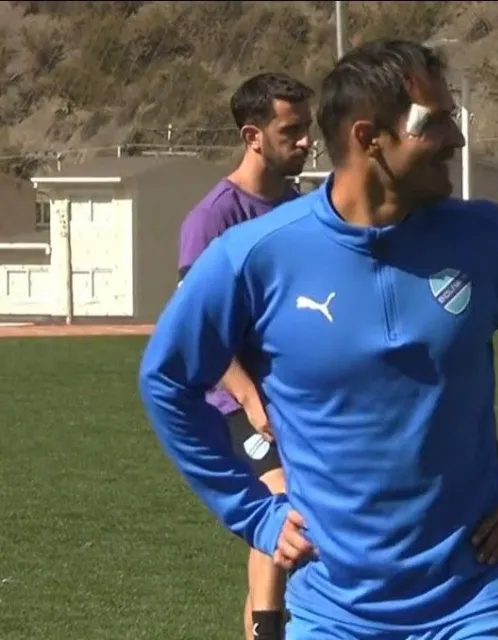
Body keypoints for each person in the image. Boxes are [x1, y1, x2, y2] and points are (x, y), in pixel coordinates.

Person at [139, 38, 498, 640]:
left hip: (474, 597)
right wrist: (254, 516)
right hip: (334, 609)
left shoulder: (491, 239)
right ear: (367, 138)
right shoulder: (255, 256)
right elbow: (167, 381)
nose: (456, 141)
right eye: (433, 124)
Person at [176, 71, 314, 640]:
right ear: (253, 136)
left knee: (317, 527)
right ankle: (266, 630)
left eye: (308, 128)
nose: (306, 140)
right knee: (281, 511)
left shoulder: (304, 209)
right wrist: (251, 399)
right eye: (292, 130)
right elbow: (199, 329)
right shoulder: (213, 217)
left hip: (296, 397)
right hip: (238, 401)